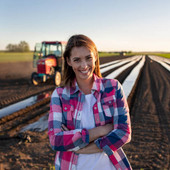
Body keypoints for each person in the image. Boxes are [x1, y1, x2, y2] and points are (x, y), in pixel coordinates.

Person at [48, 34, 132, 170]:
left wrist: (81, 147)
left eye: (88, 58)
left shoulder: (112, 87)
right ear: (68, 61)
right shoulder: (60, 95)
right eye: (77, 60)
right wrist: (102, 130)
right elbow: (55, 140)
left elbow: (124, 133)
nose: (84, 65)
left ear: (95, 57)